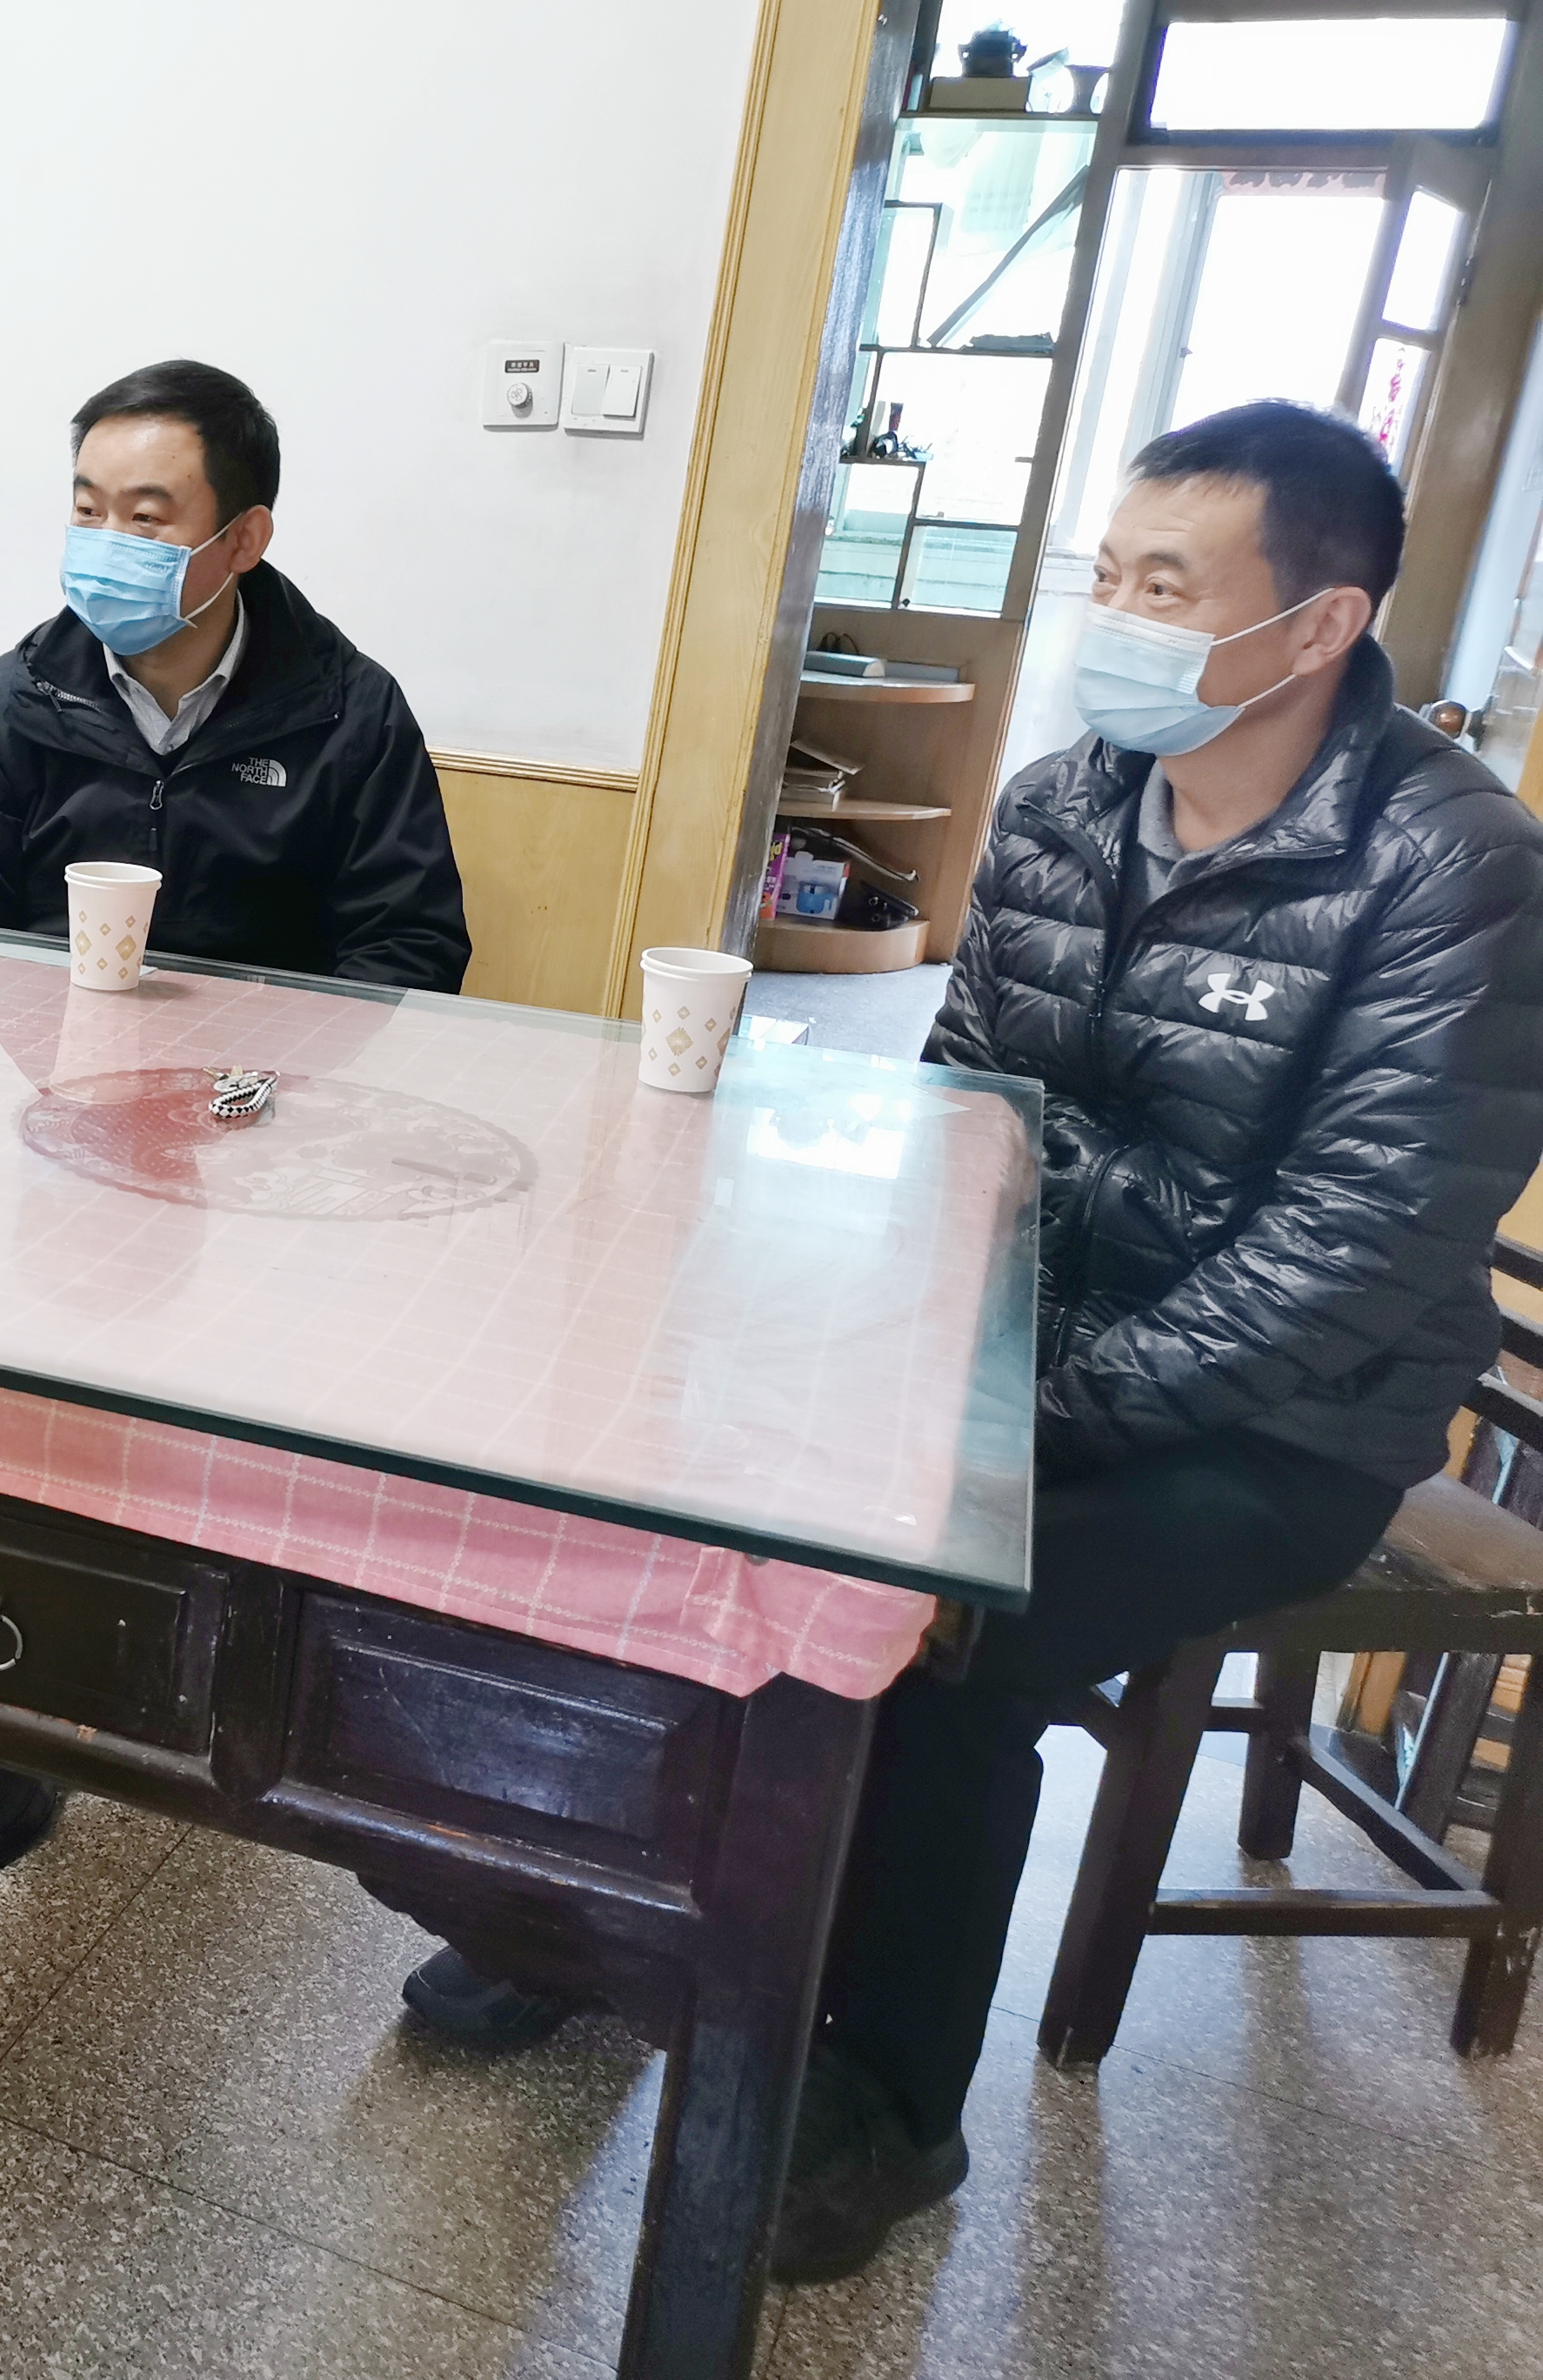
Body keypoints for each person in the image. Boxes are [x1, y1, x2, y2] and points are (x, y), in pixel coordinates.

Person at [396, 401, 1543, 2281]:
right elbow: (960, 1104)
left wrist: (1003, 1436)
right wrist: (860, 1336)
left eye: (1167, 586)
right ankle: (589, 1929)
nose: (1118, 620)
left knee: (937, 1634)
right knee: (682, 1481)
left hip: (1281, 1432)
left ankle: (888, 2102)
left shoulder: (1450, 866)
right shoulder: (1065, 801)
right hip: (1015, 1358)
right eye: (1111, 575)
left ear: (1320, 625)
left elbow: (1340, 1261)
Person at [0, 358, 471, 1875]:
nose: (106, 544)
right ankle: (20, 1708)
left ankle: (236, 1691)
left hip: (262, 1144)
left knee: (238, 1438)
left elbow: (412, 953)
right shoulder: (20, 696)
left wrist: (239, 1091)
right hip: (51, 1129)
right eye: (87, 507)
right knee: (29, 1423)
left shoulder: (345, 710)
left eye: (147, 516)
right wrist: (66, 1082)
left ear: (241, 539)